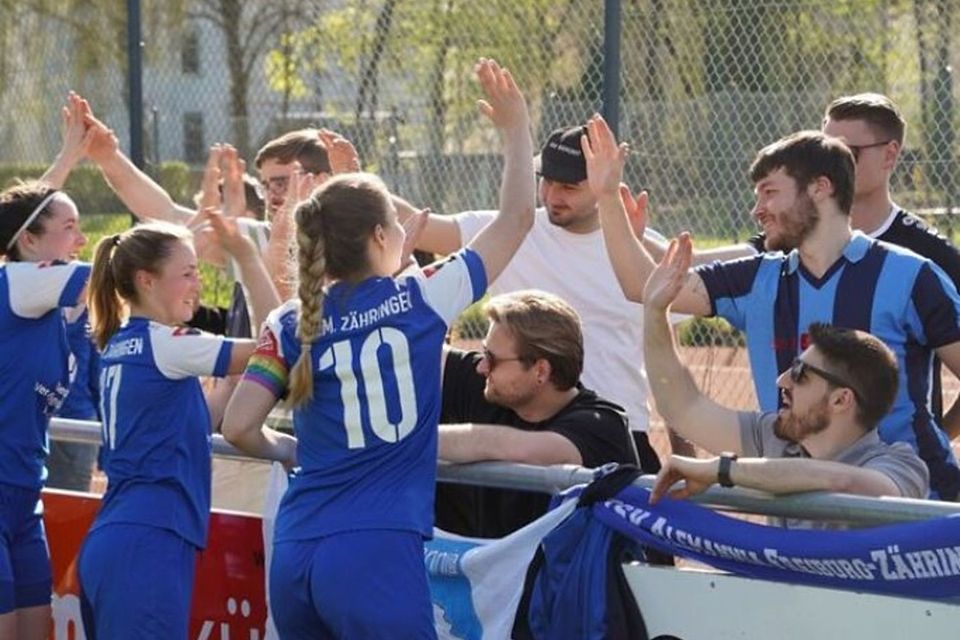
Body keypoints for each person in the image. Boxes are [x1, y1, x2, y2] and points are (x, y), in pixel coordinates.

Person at [221, 58, 535, 639]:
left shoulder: (291, 320)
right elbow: (516, 219)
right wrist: (517, 131)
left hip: (296, 549)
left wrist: (289, 451)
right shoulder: (422, 297)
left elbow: (239, 427)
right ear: (380, 235)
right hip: (375, 553)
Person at [585, 115, 960, 500]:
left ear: (820, 188)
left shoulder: (911, 276)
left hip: (913, 507)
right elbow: (646, 288)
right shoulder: (758, 278)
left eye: (769, 192)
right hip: (796, 501)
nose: (757, 210)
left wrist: (938, 435)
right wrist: (607, 198)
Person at [399, 124, 675, 472]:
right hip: (520, 421)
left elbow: (667, 354)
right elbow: (418, 223)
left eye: (569, 187)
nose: (552, 195)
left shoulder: (638, 250)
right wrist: (352, 182)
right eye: (546, 181)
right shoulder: (511, 230)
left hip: (606, 436)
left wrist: (683, 448)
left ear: (600, 184)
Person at [77, 214, 278, 639]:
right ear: (146, 281)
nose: (197, 284)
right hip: (148, 540)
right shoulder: (165, 343)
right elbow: (275, 344)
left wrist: (231, 392)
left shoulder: (122, 343)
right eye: (187, 273)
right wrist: (248, 259)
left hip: (120, 537)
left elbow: (186, 421)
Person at [643, 234, 928, 528]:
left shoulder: (901, 465)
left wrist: (723, 470)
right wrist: (654, 312)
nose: (781, 381)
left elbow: (844, 482)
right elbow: (683, 407)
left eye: (800, 373)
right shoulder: (776, 437)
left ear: (841, 399)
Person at [434, 290, 637, 538]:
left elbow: (503, 446)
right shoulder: (494, 387)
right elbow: (414, 355)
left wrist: (411, 443)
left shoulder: (602, 425)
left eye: (491, 358)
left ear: (540, 371)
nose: (481, 367)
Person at [0, 180, 90, 638]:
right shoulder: (19, 281)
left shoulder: (51, 308)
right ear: (29, 241)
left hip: (24, 497)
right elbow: (118, 275)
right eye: (70, 227)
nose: (82, 240)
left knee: (37, 629)